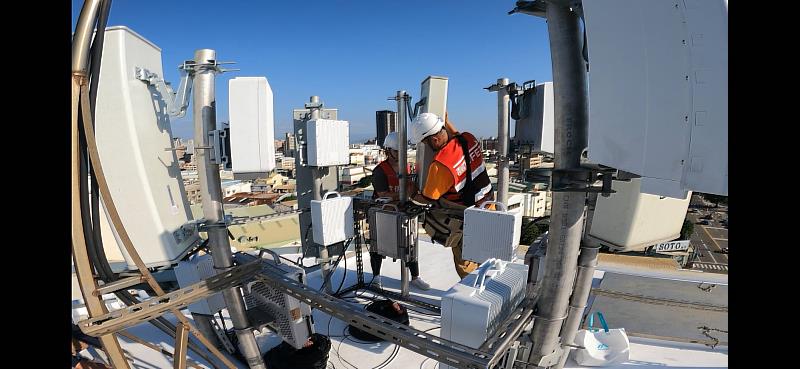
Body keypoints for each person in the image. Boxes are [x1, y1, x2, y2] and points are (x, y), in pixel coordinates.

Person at [410, 112, 494, 279]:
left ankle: (473, 298)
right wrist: (447, 122)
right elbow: (456, 136)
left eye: (425, 143)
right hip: (489, 205)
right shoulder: (468, 138)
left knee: (466, 263)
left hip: (469, 217)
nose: (426, 146)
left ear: (433, 140)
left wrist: (410, 194)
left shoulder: (441, 165)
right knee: (486, 254)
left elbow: (428, 198)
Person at [369, 131, 430, 290]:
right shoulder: (380, 171)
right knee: (378, 246)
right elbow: (383, 194)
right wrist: (404, 194)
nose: (400, 155)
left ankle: (415, 277)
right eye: (397, 151)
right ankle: (376, 277)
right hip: (383, 213)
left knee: (410, 243)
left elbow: (414, 187)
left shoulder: (408, 168)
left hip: (403, 212)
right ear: (388, 151)